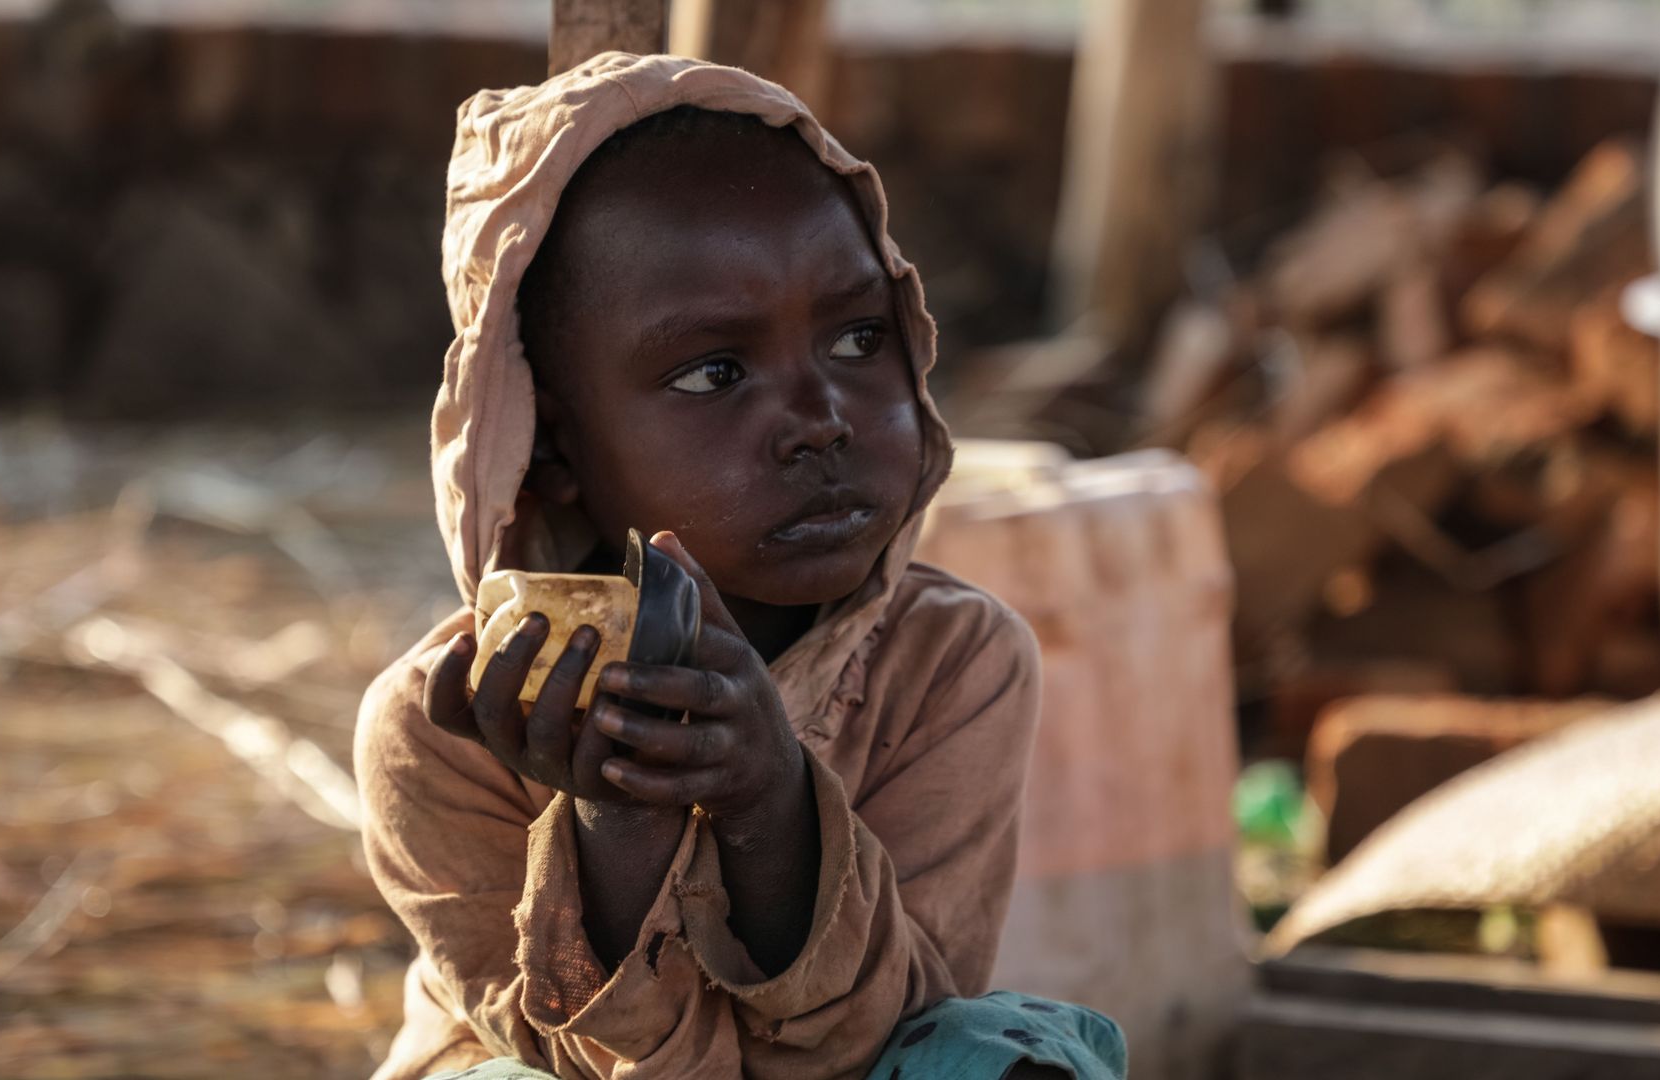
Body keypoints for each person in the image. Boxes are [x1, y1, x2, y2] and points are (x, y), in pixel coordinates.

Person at [353, 52, 1127, 1080]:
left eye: (859, 338)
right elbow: (576, 1058)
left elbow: (890, 1032)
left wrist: (773, 802)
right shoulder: (447, 729)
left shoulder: (954, 663)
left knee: (1008, 1055)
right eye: (715, 370)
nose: (823, 421)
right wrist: (615, 814)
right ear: (550, 447)